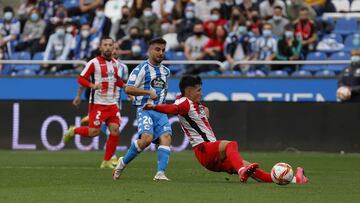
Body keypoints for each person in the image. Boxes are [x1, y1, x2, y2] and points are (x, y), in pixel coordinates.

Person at [139, 75, 309, 184]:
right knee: (231, 145)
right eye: (198, 90)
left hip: (212, 158)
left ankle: (294, 179)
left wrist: (202, 108)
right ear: (189, 91)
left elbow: (188, 109)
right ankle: (241, 171)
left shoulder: (194, 104)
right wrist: (154, 107)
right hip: (204, 150)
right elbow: (172, 109)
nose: (201, 93)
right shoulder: (183, 102)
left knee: (255, 171)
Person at [112, 38, 173, 181]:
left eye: (163, 50)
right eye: (157, 49)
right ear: (149, 50)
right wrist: (147, 93)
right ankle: (123, 162)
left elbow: (162, 90)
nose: (161, 53)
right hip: (145, 109)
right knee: (146, 139)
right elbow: (128, 88)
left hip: (160, 111)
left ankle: (160, 173)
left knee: (166, 137)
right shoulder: (141, 69)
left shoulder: (166, 71)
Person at [63, 36, 125, 169]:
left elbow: (116, 79)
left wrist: (125, 87)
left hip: (112, 104)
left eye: (110, 45)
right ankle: (74, 130)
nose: (108, 47)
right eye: (105, 45)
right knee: (93, 132)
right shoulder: (93, 63)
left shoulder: (116, 63)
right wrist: (92, 85)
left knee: (115, 130)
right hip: (98, 103)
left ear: (113, 47)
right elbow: (81, 79)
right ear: (100, 47)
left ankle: (107, 160)